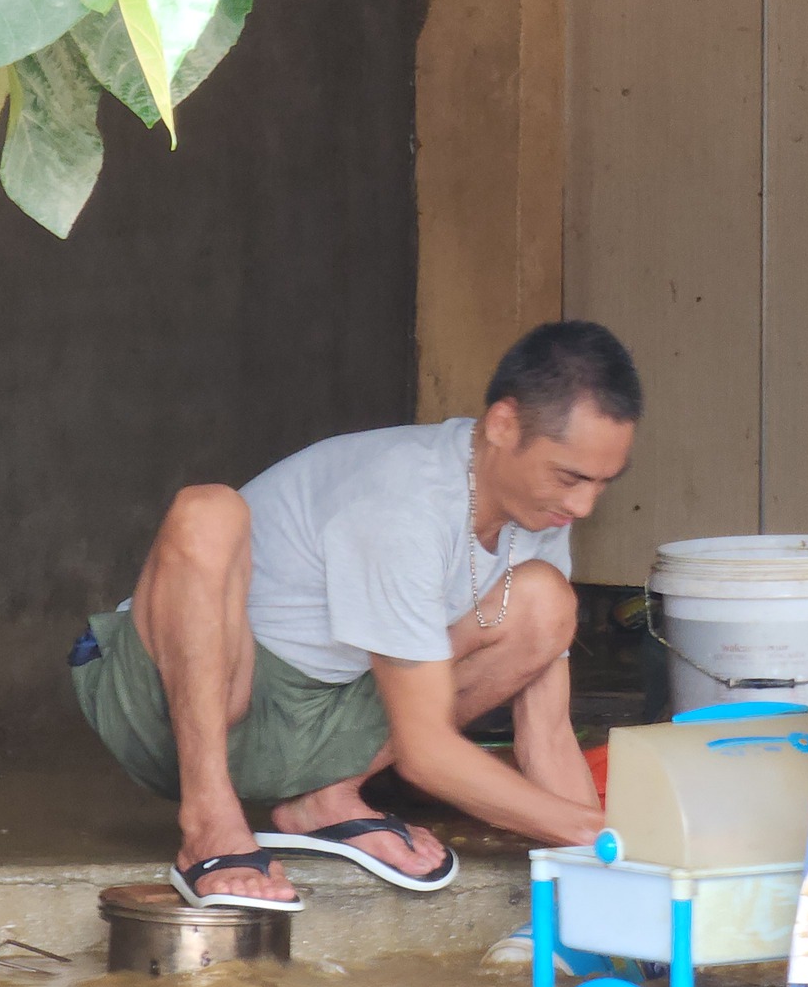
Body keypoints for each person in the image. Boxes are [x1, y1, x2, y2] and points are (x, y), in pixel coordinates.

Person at [69, 320, 641, 912]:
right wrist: (599, 837)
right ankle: (209, 822)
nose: (582, 506)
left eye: (602, 484)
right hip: (174, 705)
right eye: (569, 477)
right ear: (503, 425)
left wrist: (618, 880)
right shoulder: (405, 499)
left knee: (545, 603)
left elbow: (545, 737)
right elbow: (426, 753)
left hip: (317, 726)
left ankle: (326, 799)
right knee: (208, 510)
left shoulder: (540, 520)